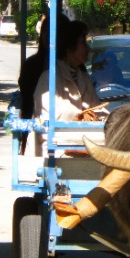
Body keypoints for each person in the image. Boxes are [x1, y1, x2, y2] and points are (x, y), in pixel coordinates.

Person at [33, 20, 107, 156]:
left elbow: (97, 109)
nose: (88, 48)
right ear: (68, 47)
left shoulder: (82, 76)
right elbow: (44, 129)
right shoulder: (49, 79)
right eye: (83, 43)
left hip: (83, 149)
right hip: (55, 153)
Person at [17, 13, 69, 154]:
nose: (49, 37)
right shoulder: (32, 65)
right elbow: (27, 98)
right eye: (46, 31)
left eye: (56, 32)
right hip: (37, 128)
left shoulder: (74, 68)